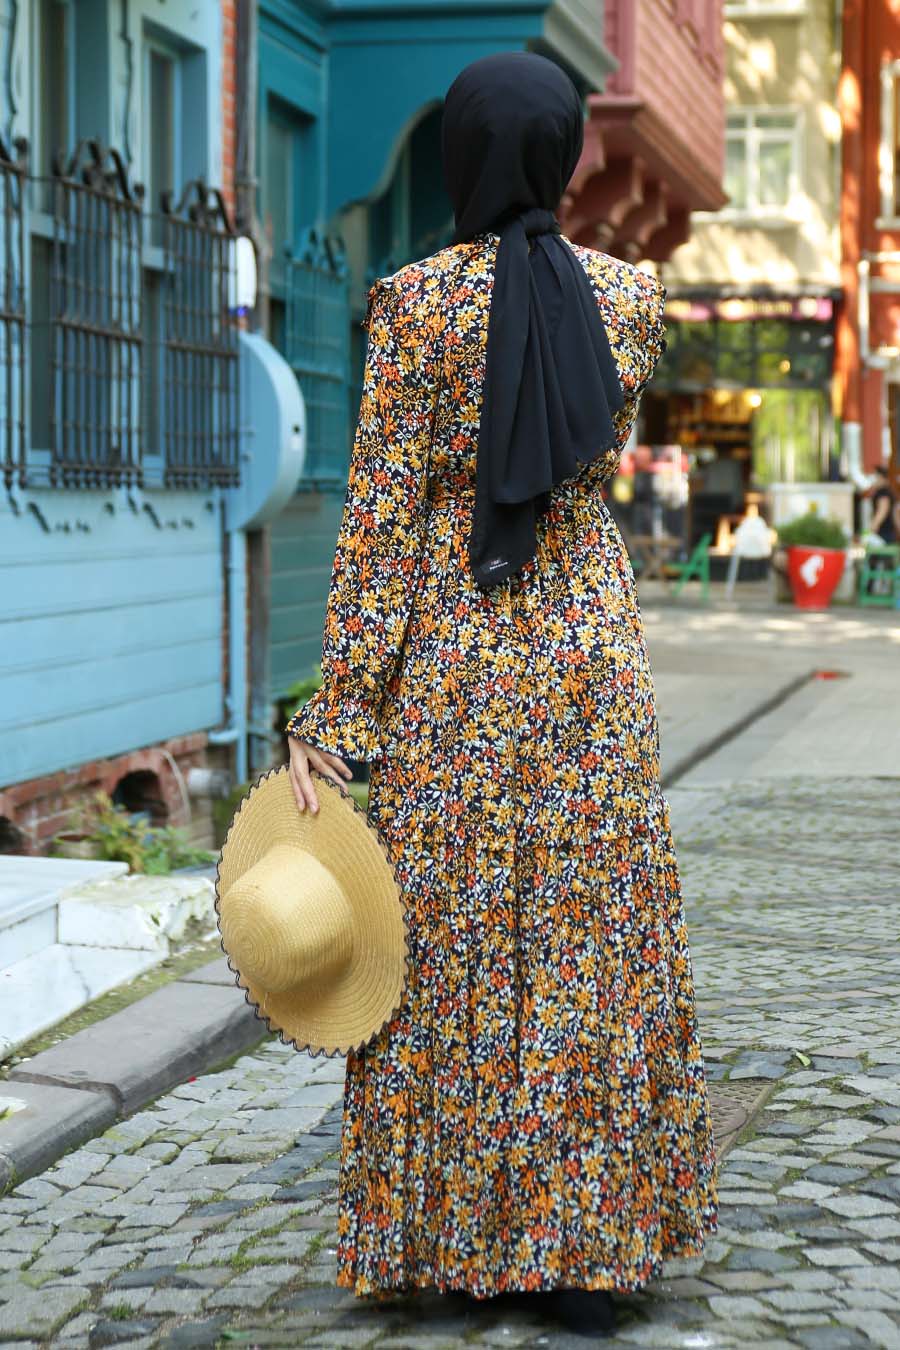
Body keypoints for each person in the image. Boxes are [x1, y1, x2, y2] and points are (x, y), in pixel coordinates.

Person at [285, 52, 718, 1338]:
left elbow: (379, 535)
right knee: (589, 947)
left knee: (445, 953)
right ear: (569, 153)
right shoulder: (631, 300)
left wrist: (336, 717)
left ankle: (443, 1244)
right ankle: (590, 1258)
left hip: (457, 663)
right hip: (587, 654)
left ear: (465, 154)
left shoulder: (413, 308)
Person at [869, 462, 899, 544]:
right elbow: (895, 514)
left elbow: (882, 511)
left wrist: (873, 526)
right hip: (890, 533)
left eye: (875, 476)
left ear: (881, 477)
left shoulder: (883, 493)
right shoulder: (890, 492)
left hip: (882, 534)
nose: (874, 479)